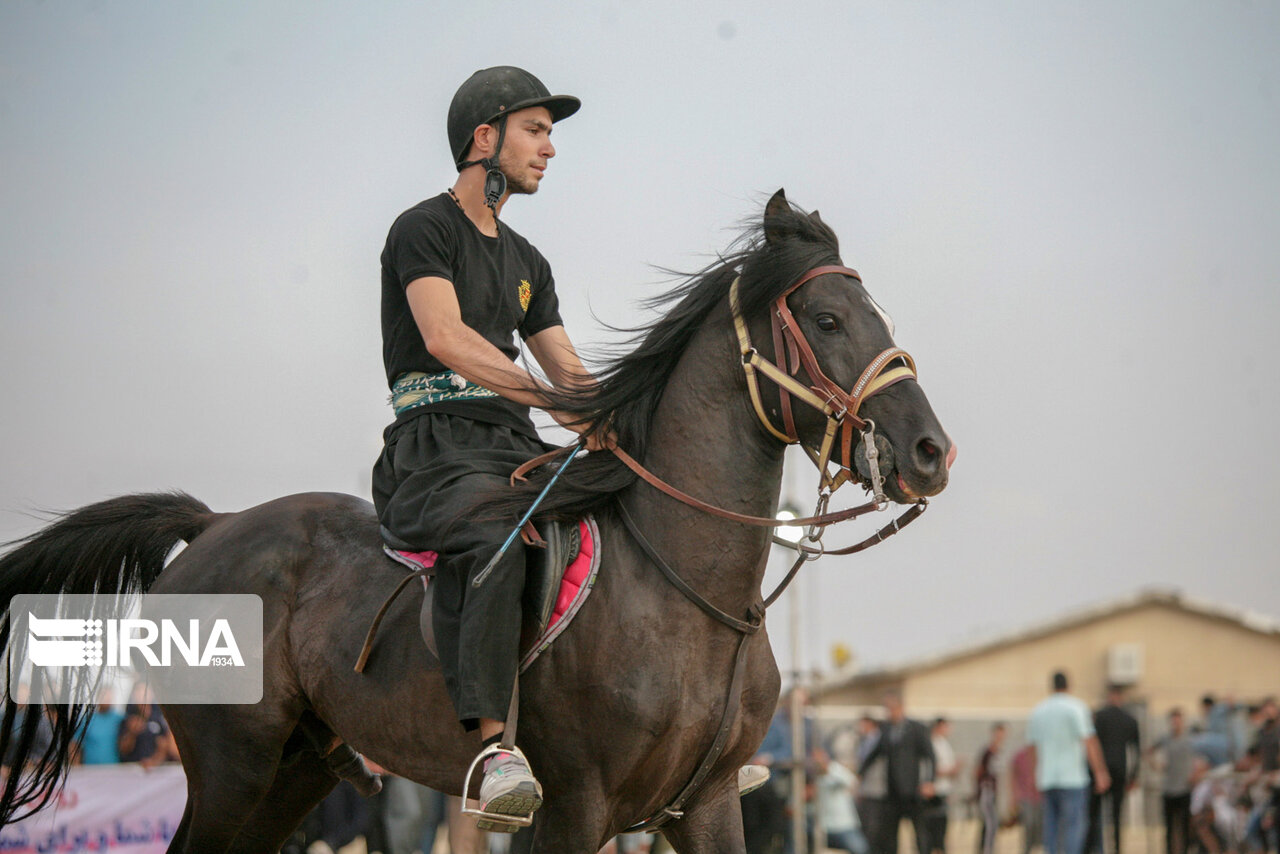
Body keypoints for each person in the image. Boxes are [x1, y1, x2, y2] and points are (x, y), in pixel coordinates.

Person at [1027, 671, 1110, 854]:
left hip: (1047, 777)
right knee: (1074, 825)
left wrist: (1034, 774)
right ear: (1068, 686)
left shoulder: (1038, 711)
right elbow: (1089, 741)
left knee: (1051, 826)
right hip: (1072, 778)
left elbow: (1032, 747)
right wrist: (1100, 772)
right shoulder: (1076, 708)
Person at [857, 690, 936, 854]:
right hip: (892, 793)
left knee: (920, 835)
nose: (889, 712)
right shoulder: (885, 730)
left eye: (891, 708)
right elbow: (874, 754)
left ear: (900, 708)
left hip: (914, 791)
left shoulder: (916, 729)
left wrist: (929, 782)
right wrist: (860, 774)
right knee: (890, 837)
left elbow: (931, 757)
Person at [1088, 685, 1141, 854]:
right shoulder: (1130, 720)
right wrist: (1133, 775)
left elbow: (1091, 745)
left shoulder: (1099, 717)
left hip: (1099, 772)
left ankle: (1093, 848)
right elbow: (1136, 751)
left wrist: (1096, 771)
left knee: (1094, 815)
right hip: (1120, 771)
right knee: (1116, 816)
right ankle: (1116, 849)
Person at [1147, 708, 1194, 854]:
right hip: (1169, 789)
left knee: (1184, 827)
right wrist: (1156, 765)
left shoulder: (1189, 740)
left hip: (1184, 788)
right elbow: (1149, 751)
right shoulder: (1165, 738)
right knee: (1169, 827)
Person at [925, 717, 959, 854]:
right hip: (933, 791)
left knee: (942, 828)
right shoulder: (931, 743)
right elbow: (932, 769)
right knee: (933, 829)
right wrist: (950, 770)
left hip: (944, 790)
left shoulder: (944, 744)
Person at [975, 723, 1006, 854]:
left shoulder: (998, 752)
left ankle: (989, 848)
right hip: (986, 791)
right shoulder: (987, 752)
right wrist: (980, 789)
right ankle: (986, 850)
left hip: (992, 791)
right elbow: (978, 771)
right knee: (989, 823)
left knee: (993, 822)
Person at [1011, 743, 1043, 854]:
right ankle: (1027, 849)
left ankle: (1039, 847)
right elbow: (1013, 776)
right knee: (1028, 823)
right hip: (1025, 796)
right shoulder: (1020, 756)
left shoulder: (1043, 754)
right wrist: (1014, 796)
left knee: (1040, 824)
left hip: (1041, 796)